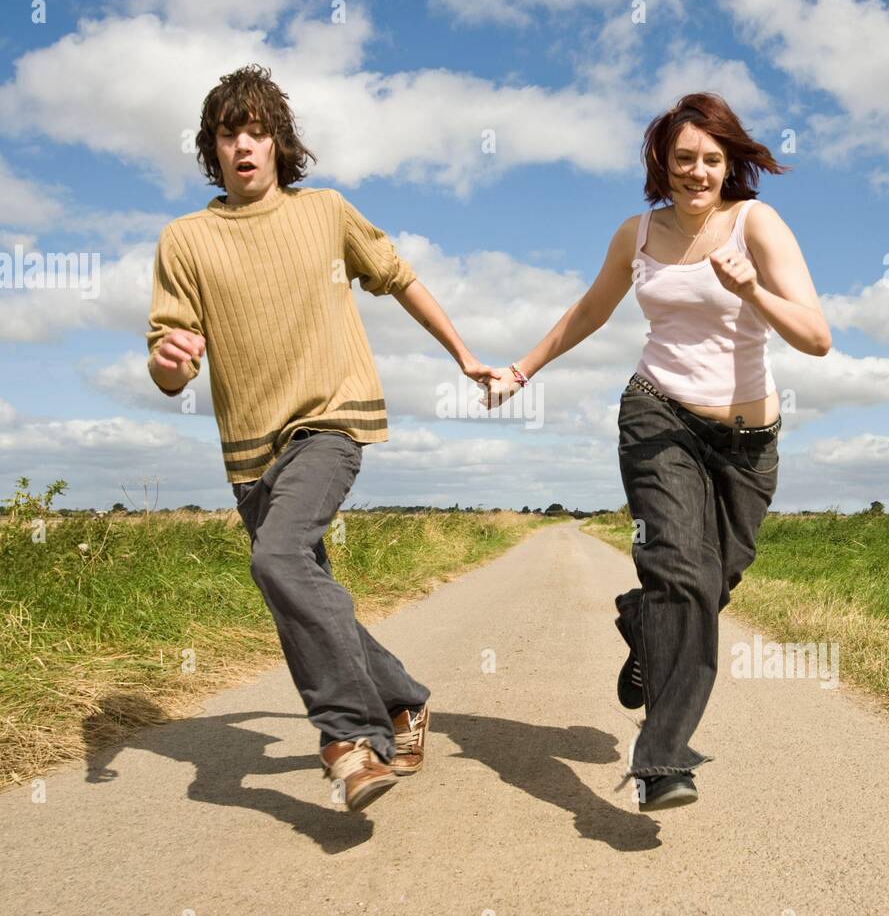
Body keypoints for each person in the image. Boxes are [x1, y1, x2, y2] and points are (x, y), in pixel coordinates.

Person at [146, 64, 496, 812]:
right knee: (303, 589)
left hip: (331, 420)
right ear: (211, 148)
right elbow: (168, 361)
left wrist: (463, 355)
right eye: (227, 133)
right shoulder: (185, 240)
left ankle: (349, 740)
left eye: (256, 131)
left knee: (277, 559)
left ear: (278, 143)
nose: (243, 145)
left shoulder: (326, 211)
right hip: (248, 449)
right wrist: (168, 365)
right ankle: (402, 700)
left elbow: (399, 277)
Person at [483, 92, 831, 811]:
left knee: (712, 584)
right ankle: (663, 762)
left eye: (711, 158)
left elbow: (816, 336)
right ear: (661, 165)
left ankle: (646, 624)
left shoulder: (756, 224)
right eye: (683, 160)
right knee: (682, 573)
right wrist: (522, 369)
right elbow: (589, 309)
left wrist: (754, 291)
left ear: (730, 161)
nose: (697, 172)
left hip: (747, 445)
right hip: (658, 415)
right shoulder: (637, 234)